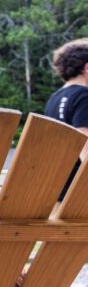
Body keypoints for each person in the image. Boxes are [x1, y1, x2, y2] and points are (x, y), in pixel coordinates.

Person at [45, 39, 88, 199]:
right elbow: (84, 143)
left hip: (57, 188)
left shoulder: (54, 98)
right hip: (78, 193)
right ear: (87, 67)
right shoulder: (84, 95)